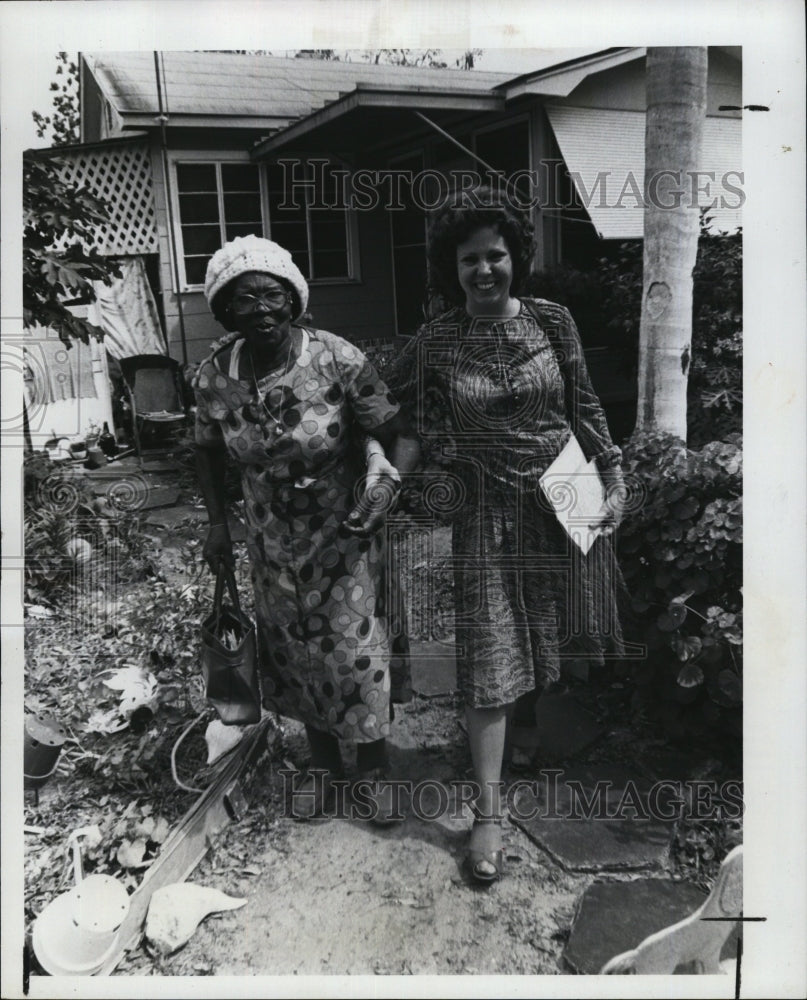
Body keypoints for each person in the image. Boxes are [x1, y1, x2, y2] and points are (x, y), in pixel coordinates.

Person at [385, 187, 628, 882]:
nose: (484, 270)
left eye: (495, 255)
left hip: (565, 489)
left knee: (554, 633)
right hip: (485, 509)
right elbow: (390, 407)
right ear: (450, 268)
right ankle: (486, 816)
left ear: (515, 257)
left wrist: (612, 476)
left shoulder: (553, 320)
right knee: (489, 657)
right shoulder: (437, 339)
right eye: (469, 260)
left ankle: (528, 736)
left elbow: (583, 406)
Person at [194, 235, 420, 822]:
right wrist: (219, 525)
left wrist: (385, 483)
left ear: (294, 300)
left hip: (344, 533)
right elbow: (207, 449)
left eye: (274, 295)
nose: (262, 309)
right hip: (270, 541)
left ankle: (372, 770)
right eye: (245, 300)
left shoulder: (335, 357)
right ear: (225, 310)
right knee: (291, 653)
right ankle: (323, 767)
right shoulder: (214, 376)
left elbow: (403, 431)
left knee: (353, 652)